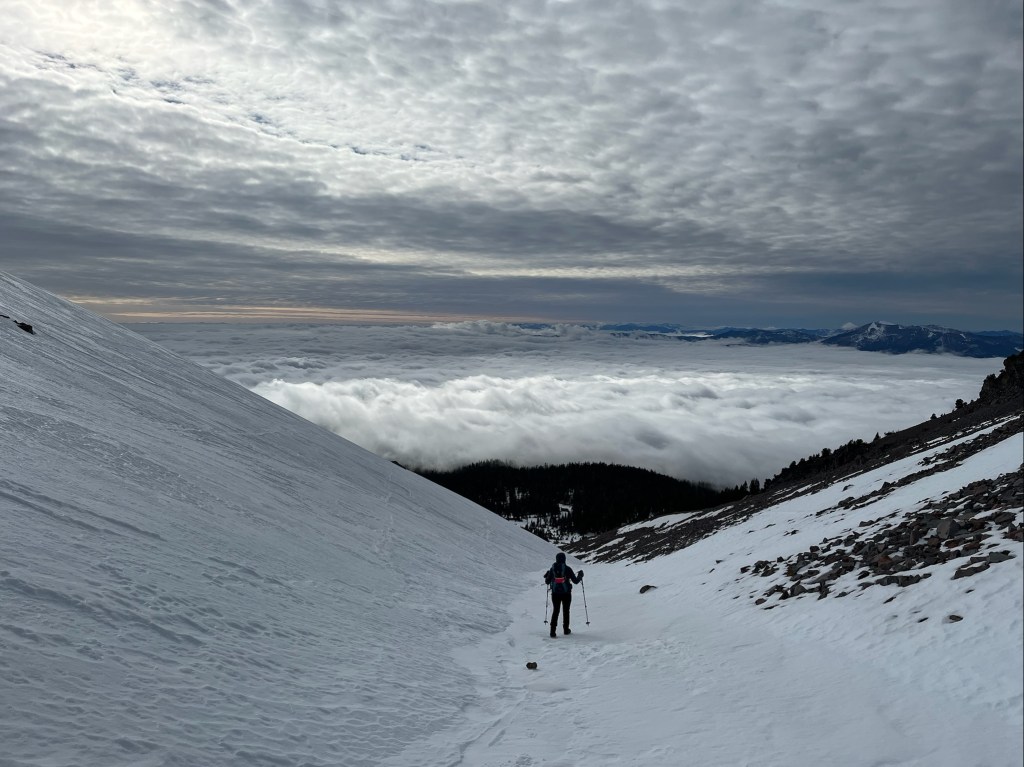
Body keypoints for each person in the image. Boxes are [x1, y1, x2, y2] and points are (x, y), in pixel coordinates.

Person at [544, 552, 583, 638]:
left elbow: (547, 581)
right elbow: (576, 581)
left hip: (555, 594)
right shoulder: (567, 569)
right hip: (566, 594)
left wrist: (547, 576)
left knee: (556, 611)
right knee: (566, 611)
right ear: (564, 559)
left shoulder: (552, 569)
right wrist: (580, 575)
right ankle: (566, 629)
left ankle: (552, 632)